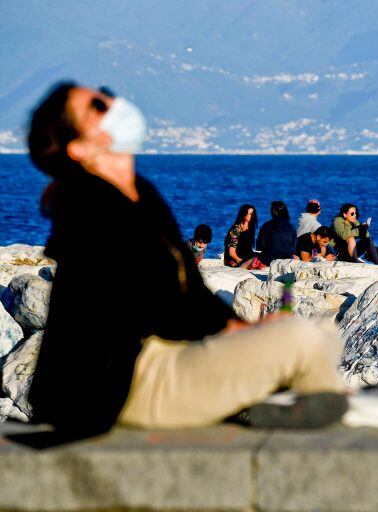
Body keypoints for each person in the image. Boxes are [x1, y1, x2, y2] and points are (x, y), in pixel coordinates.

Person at [26, 82, 347, 434]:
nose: (114, 103)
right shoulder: (87, 204)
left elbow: (188, 286)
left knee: (322, 332)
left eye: (107, 94)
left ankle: (303, 407)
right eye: (98, 106)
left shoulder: (139, 192)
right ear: (79, 147)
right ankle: (320, 413)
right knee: (302, 339)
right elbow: (146, 299)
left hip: (165, 356)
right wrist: (227, 334)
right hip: (128, 381)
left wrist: (239, 328)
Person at [255, 200, 297, 265]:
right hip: (287, 259)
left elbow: (259, 245)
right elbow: (293, 247)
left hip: (269, 259)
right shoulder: (291, 227)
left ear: (274, 212)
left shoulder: (267, 225)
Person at [224, 204, 265, 269]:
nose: (252, 216)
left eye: (253, 214)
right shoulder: (236, 230)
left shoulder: (251, 228)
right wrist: (242, 261)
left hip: (246, 256)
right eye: (250, 214)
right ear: (243, 215)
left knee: (264, 256)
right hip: (235, 259)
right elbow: (231, 253)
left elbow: (248, 249)